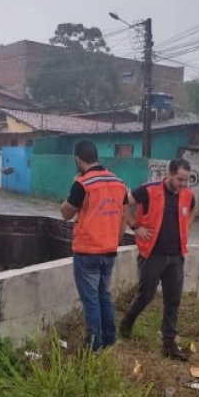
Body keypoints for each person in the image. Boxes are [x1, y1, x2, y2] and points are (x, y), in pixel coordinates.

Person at [119, 158, 197, 362]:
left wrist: (186, 228)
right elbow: (123, 202)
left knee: (173, 301)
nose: (183, 184)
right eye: (180, 179)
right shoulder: (149, 190)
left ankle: (169, 344)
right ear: (169, 174)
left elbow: (193, 209)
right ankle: (127, 321)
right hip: (152, 254)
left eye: (186, 180)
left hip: (176, 256)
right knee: (146, 295)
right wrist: (135, 227)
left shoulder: (188, 195)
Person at [60, 140, 130, 352]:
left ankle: (93, 345)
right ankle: (110, 339)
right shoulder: (119, 182)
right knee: (104, 296)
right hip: (109, 250)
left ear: (78, 159)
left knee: (90, 300)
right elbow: (124, 215)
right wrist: (115, 241)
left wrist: (74, 184)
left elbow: (65, 213)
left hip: (87, 251)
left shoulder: (83, 183)